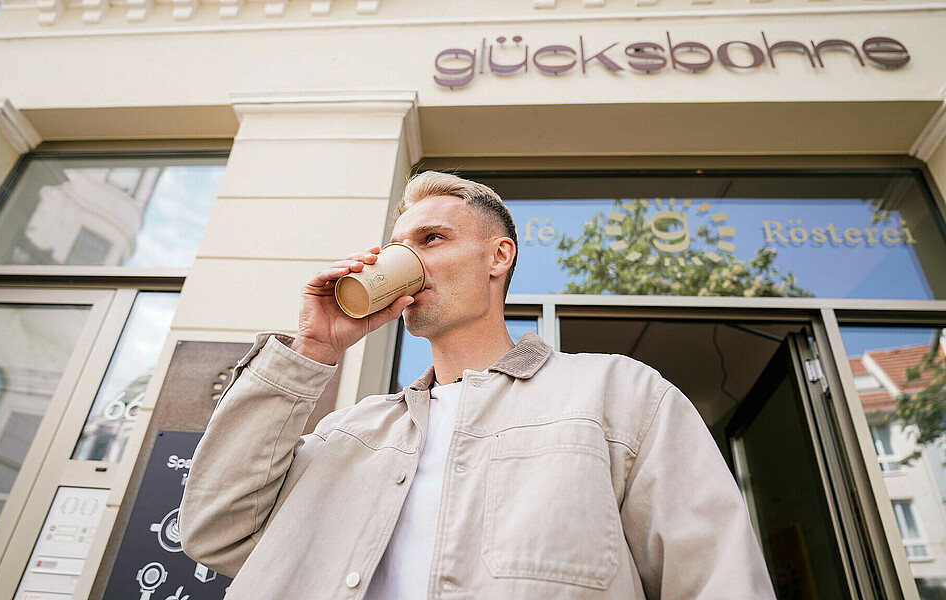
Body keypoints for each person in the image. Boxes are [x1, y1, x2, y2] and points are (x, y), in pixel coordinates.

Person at [179, 171, 776, 599]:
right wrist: (312, 351)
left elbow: (716, 577)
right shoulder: (350, 431)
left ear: (499, 256)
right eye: (397, 249)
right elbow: (216, 533)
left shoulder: (617, 394)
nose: (405, 261)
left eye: (432, 240)